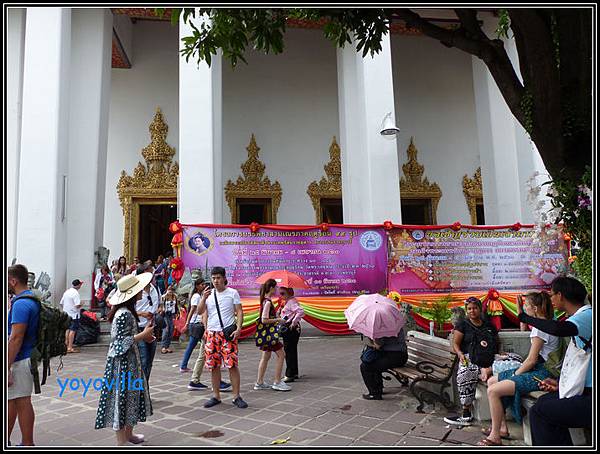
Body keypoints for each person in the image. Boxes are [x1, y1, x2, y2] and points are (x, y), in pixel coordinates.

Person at [479, 291, 560, 446]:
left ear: (535, 308)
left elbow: (530, 360)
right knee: (492, 381)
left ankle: (495, 436)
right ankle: (502, 427)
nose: (524, 308)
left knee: (493, 390)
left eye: (526, 305)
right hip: (539, 368)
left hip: (544, 373)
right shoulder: (547, 322)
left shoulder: (540, 328)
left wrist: (515, 374)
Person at [520, 277, 592, 446]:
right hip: (585, 391)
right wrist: (561, 384)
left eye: (552, 295)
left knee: (540, 412)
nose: (551, 299)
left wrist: (525, 318)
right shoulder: (581, 317)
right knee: (544, 403)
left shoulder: (588, 315)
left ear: (560, 295)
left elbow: (558, 329)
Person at [95, 273, 155, 445]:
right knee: (121, 401)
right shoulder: (124, 314)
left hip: (130, 361)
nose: (142, 291)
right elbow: (118, 343)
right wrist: (142, 335)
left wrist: (143, 336)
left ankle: (129, 435)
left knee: (131, 398)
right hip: (122, 364)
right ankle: (121, 441)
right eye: (139, 289)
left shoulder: (127, 312)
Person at [197, 267, 248, 409]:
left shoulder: (232, 293)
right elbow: (200, 311)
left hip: (227, 334)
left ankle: (236, 396)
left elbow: (239, 311)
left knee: (232, 365)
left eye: (218, 278)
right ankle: (216, 395)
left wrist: (238, 328)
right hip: (212, 333)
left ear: (224, 278)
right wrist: (203, 298)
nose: (216, 281)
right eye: (213, 278)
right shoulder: (208, 294)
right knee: (213, 366)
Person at [444, 296, 499, 426]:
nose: (472, 311)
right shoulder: (462, 325)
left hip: (488, 357)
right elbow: (456, 344)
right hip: (471, 357)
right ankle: (466, 411)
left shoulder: (489, 325)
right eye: (469, 309)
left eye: (475, 308)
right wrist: (460, 354)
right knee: (466, 371)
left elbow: (497, 341)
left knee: (513, 359)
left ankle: (487, 370)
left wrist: (499, 353)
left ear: (480, 309)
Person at [8, 264, 41, 447]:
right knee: (14, 401)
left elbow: (16, 338)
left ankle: (28, 443)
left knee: (22, 403)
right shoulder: (32, 298)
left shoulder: (21, 304)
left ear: (13, 281)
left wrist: (6, 366)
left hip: (20, 359)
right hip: (25, 357)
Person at [254, 279, 291, 392]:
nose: (276, 290)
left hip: (266, 335)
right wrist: (278, 319)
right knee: (281, 355)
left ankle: (259, 382)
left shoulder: (264, 300)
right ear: (271, 288)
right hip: (270, 335)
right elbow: (264, 320)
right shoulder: (268, 302)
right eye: (275, 287)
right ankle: (277, 381)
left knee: (265, 357)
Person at [360, 327, 408, 400]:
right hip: (401, 356)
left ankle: (374, 393)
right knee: (374, 362)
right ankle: (378, 389)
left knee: (365, 367)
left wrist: (370, 338)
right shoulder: (393, 324)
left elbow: (378, 345)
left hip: (394, 357)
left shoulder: (383, 328)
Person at [135, 274, 160, 381]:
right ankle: (140, 389)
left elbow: (158, 304)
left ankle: (145, 388)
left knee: (149, 360)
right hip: (139, 328)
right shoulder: (136, 291)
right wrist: (141, 313)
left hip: (150, 327)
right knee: (143, 359)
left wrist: (158, 310)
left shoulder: (155, 289)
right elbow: (128, 310)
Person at [279, 287, 305, 383]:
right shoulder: (289, 301)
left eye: (282, 293)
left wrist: (293, 322)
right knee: (292, 350)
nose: (281, 295)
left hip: (291, 328)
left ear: (289, 293)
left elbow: (301, 311)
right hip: (291, 328)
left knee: (289, 351)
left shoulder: (291, 302)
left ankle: (289, 374)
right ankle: (294, 372)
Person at [60, 279, 84, 354]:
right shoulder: (75, 293)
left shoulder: (67, 292)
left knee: (67, 330)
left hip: (66, 314)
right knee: (72, 331)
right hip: (74, 314)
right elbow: (77, 305)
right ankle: (70, 347)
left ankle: (65, 346)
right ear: (79, 285)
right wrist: (82, 304)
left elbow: (61, 303)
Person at [159, 286, 178, 354]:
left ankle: (167, 346)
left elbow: (176, 306)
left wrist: (176, 313)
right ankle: (163, 346)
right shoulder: (163, 297)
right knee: (166, 330)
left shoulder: (175, 297)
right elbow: (161, 305)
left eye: (171, 290)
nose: (170, 291)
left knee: (171, 330)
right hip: (165, 314)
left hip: (172, 314)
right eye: (169, 290)